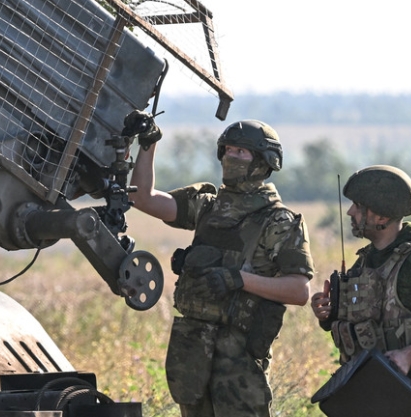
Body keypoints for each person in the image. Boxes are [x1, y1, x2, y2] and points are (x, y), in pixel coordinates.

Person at [126, 113, 314, 417]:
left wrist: (238, 279)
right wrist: (148, 143)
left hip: (239, 358)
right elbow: (143, 198)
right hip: (193, 352)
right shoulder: (208, 206)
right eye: (227, 149)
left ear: (263, 161)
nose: (231, 157)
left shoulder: (278, 221)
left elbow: (299, 291)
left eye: (241, 151)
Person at [310, 165, 411, 417]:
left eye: (358, 206)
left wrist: (409, 355)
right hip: (365, 396)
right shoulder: (363, 263)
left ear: (382, 217)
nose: (350, 212)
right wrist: (327, 315)